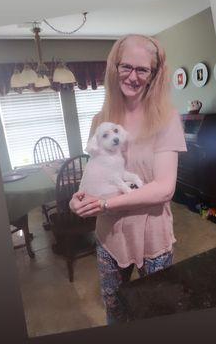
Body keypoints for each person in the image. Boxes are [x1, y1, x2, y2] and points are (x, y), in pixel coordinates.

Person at [69, 34, 187, 325]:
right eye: (126, 67)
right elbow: (95, 170)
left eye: (142, 69)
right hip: (110, 238)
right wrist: (79, 196)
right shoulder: (101, 121)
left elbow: (164, 188)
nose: (133, 76)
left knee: (156, 311)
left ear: (154, 74)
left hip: (152, 237)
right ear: (114, 67)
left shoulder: (167, 118)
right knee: (115, 311)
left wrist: (107, 202)